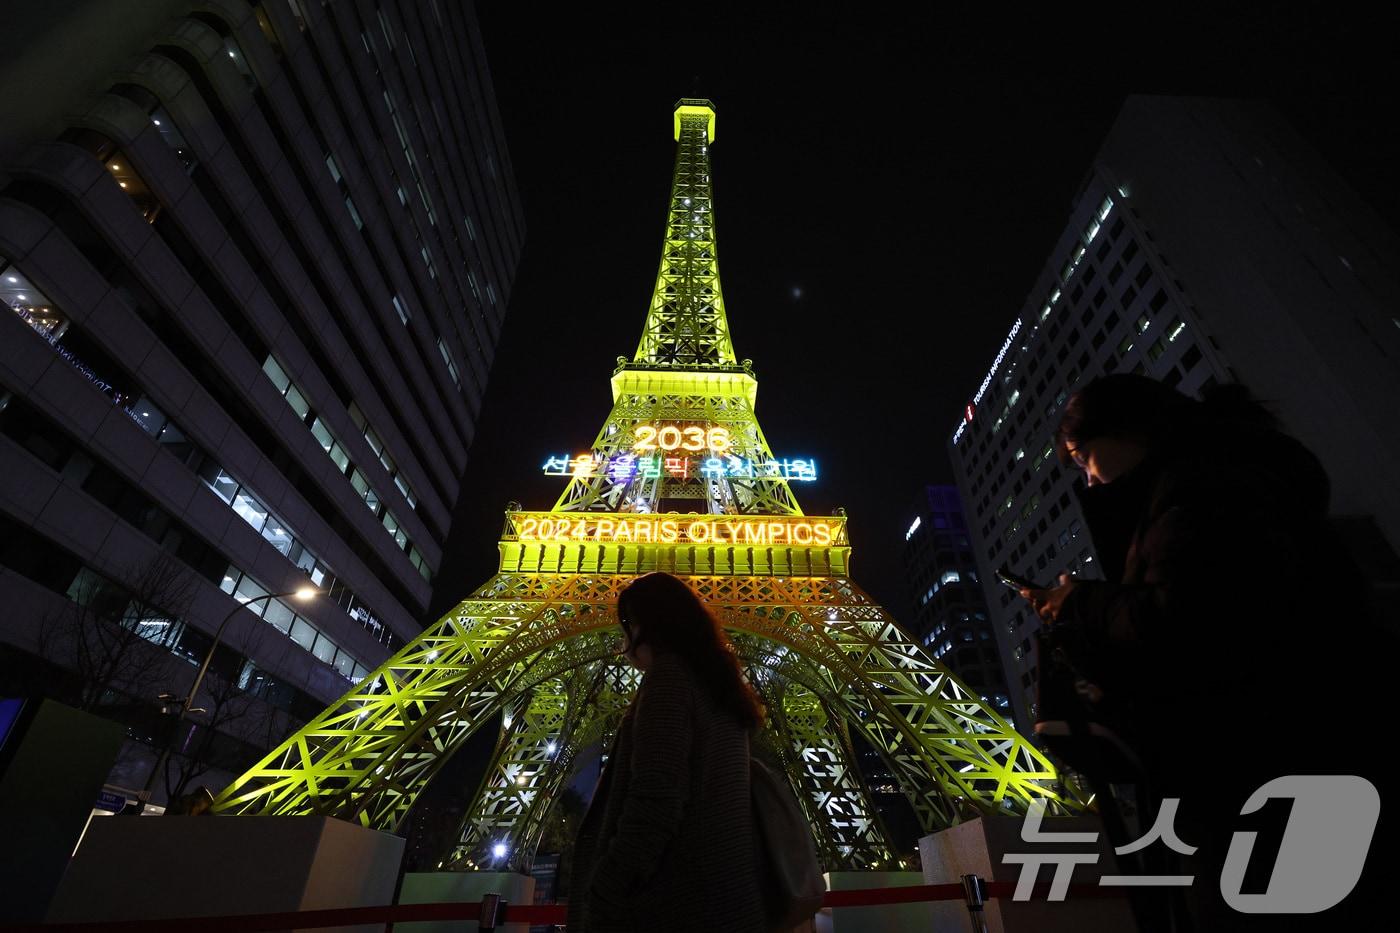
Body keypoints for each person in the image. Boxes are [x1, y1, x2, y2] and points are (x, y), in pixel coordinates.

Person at [1019, 373, 1388, 931]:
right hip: (1290, 772)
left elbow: (1188, 624)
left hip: (1268, 778)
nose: (1089, 481)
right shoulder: (1223, 481)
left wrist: (1083, 605)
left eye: (1082, 457)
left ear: (1126, 432)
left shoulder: (1204, 489)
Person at [566, 571, 769, 933]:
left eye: (626, 624)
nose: (623, 640)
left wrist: (603, 892)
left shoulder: (670, 679)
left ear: (649, 624)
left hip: (675, 906)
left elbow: (655, 804)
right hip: (729, 903)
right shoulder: (719, 686)